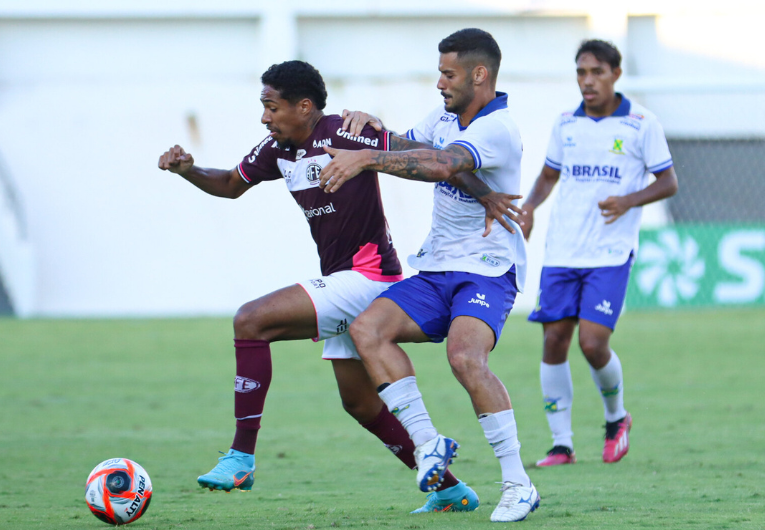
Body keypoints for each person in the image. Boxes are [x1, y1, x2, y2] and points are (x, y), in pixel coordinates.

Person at [157, 60, 519, 513]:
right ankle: (449, 490)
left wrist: (483, 192)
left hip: (370, 278)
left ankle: (240, 457)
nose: (265, 117)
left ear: (304, 106)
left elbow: (421, 153)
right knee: (360, 405)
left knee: (251, 320)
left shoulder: (347, 132)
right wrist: (188, 169)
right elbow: (230, 184)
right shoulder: (277, 149)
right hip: (339, 280)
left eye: (271, 107)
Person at [317, 28, 540, 523]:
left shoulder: (497, 127)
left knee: (464, 357)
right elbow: (409, 145)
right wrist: (369, 131)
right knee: (366, 330)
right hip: (438, 266)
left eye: (448, 73)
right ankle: (428, 442)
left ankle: (518, 484)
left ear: (479, 74)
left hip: (487, 269)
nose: (440, 82)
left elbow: (441, 163)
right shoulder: (445, 115)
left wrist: (369, 157)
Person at [520, 40, 678, 467]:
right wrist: (531, 207)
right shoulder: (565, 123)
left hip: (610, 251)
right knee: (553, 339)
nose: (587, 81)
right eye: (581, 72)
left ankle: (615, 418)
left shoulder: (642, 123)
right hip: (562, 249)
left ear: (615, 74)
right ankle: (561, 444)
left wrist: (628, 201)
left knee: (592, 343)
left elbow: (668, 182)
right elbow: (549, 174)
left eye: (596, 72)